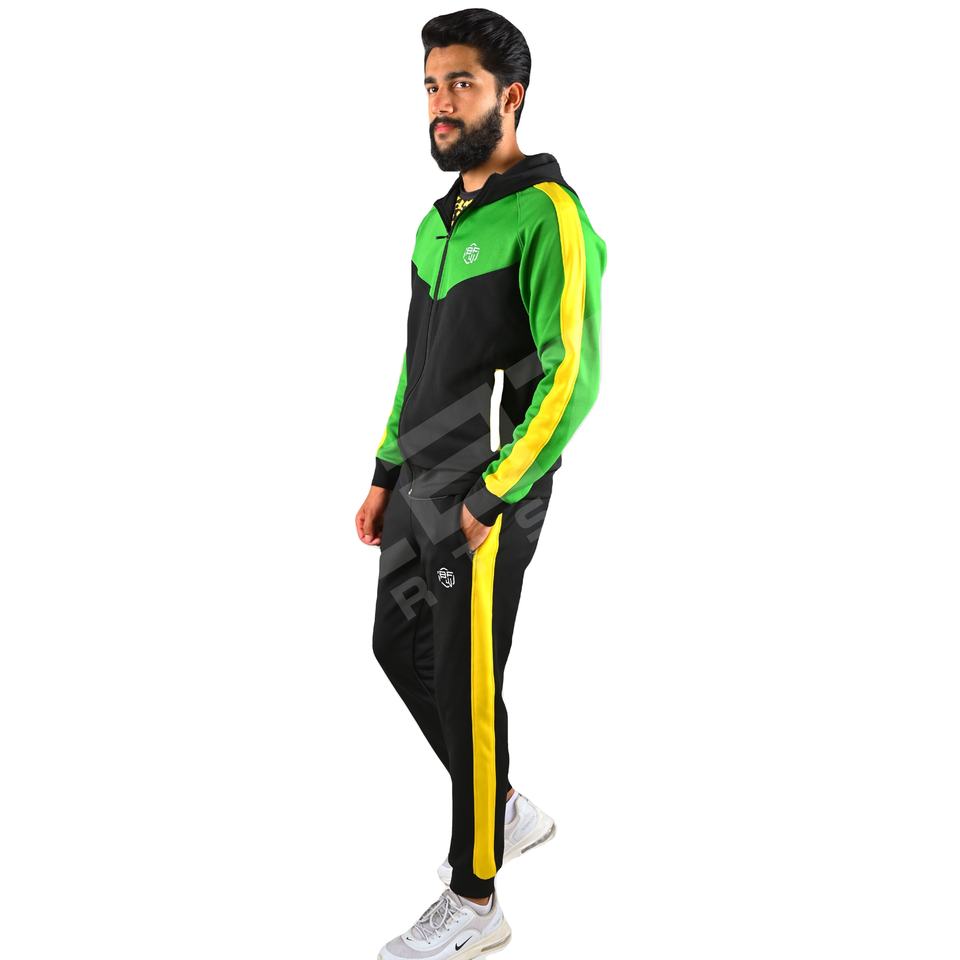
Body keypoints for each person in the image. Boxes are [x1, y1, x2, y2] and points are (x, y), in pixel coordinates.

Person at [354, 9, 607, 958]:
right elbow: (414, 366)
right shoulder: (436, 223)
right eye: (432, 85)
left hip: (486, 495)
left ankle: (475, 898)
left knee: (466, 681)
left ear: (512, 96)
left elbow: (572, 377)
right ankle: (500, 803)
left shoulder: (550, 215)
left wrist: (491, 496)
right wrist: (384, 472)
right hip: (421, 482)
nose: (441, 102)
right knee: (395, 645)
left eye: (461, 83)